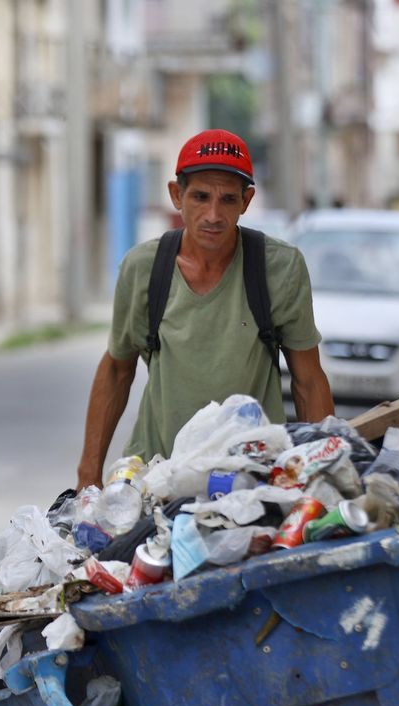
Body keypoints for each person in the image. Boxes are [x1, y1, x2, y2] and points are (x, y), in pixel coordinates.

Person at [76, 129, 334, 490]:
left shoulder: (280, 267)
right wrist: (88, 478)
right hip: (156, 475)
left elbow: (308, 380)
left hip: (250, 477)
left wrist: (324, 473)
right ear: (176, 195)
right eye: (200, 197)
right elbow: (117, 370)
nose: (213, 214)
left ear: (246, 201)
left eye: (228, 200)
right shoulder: (143, 267)